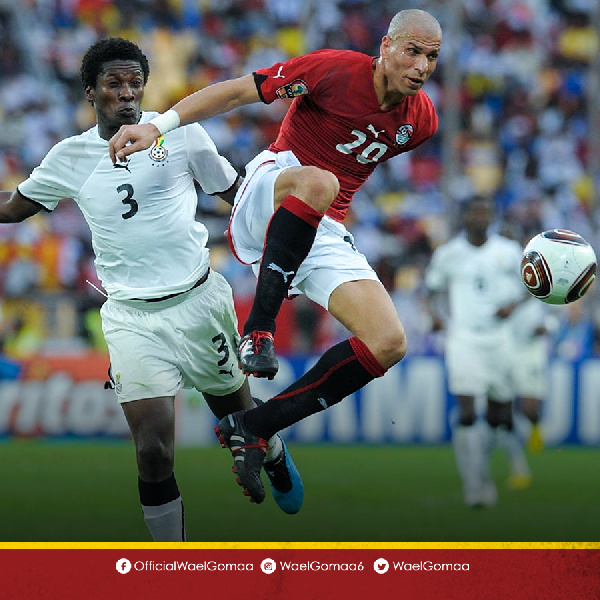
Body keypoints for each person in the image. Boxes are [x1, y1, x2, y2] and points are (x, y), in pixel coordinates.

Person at [108, 10, 442, 503]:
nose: (422, 65)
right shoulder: (336, 69)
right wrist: (158, 126)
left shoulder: (421, 122)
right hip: (275, 183)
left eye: (432, 56)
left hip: (323, 223)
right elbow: (240, 91)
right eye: (412, 50)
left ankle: (256, 426)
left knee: (389, 340)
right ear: (387, 46)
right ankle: (259, 330)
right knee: (318, 179)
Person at [0, 37, 304, 541]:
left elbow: (236, 195)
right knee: (152, 449)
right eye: (113, 84)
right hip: (131, 318)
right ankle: (171, 567)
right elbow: (15, 207)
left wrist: (293, 236)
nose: (126, 94)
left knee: (239, 417)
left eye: (134, 84)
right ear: (89, 92)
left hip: (198, 302)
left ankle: (271, 451)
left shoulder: (181, 134)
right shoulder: (69, 156)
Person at [424, 196, 532, 507]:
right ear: (465, 217)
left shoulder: (509, 252)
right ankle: (475, 483)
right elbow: (432, 290)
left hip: (501, 339)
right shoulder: (449, 254)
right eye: (475, 212)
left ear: (492, 218)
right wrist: (434, 315)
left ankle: (481, 469)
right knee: (469, 411)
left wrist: (513, 305)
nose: (480, 218)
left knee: (498, 414)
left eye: (485, 213)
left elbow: (531, 288)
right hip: (464, 338)